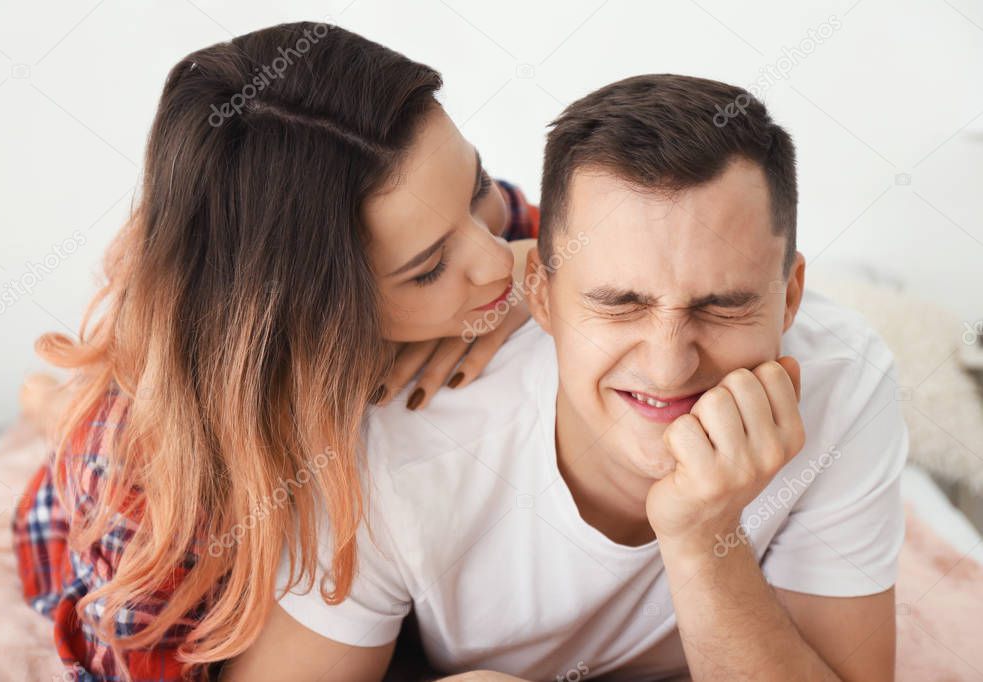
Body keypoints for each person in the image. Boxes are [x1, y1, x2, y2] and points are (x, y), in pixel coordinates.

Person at [231, 74, 907, 681]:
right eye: (618, 304)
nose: (669, 365)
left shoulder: (841, 380)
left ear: (789, 298)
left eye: (723, 305)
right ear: (541, 294)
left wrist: (704, 540)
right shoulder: (390, 446)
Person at [11, 22, 540, 681]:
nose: (490, 260)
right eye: (428, 269)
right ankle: (47, 408)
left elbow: (599, 248)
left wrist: (537, 264)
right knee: (71, 425)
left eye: (477, 185)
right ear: (304, 312)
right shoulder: (152, 492)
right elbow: (130, 662)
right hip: (96, 506)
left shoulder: (441, 214)